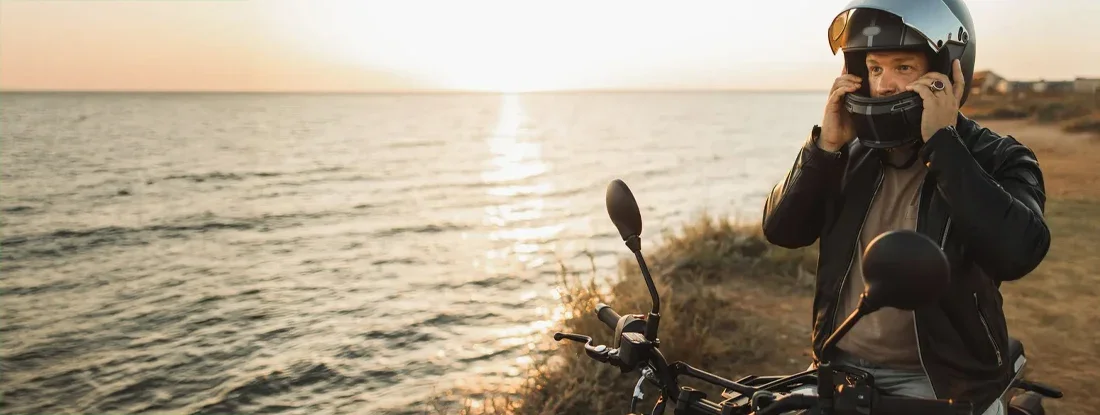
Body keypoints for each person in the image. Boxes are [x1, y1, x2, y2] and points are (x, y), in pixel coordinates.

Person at [760, 0, 1050, 414]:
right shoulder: (849, 153)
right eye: (875, 69)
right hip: (836, 365)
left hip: (944, 380)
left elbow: (1019, 252)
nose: (884, 85)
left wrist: (945, 146)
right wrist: (824, 146)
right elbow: (781, 231)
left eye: (903, 68)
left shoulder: (999, 156)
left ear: (949, 73)